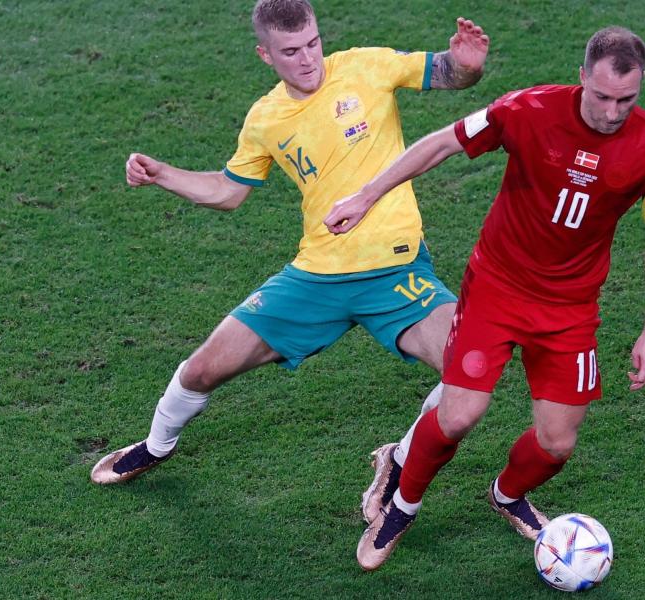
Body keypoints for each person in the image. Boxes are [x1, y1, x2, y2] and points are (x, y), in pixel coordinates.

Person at [90, 0, 490, 512]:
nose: (308, 60)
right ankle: (155, 446)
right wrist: (162, 174)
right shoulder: (265, 118)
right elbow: (229, 191)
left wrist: (468, 65)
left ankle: (399, 458)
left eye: (313, 44)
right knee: (202, 370)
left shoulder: (368, 65)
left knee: (466, 372)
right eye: (291, 51)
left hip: (397, 270)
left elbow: (448, 73)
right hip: (315, 277)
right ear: (265, 55)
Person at [324, 26, 645, 570]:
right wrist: (367, 194)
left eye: (625, 100)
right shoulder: (528, 109)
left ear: (641, 86)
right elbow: (445, 141)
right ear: (582, 76)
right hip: (498, 288)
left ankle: (507, 494)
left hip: (569, 309)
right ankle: (400, 504)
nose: (611, 112)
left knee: (558, 443)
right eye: (602, 96)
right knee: (460, 413)